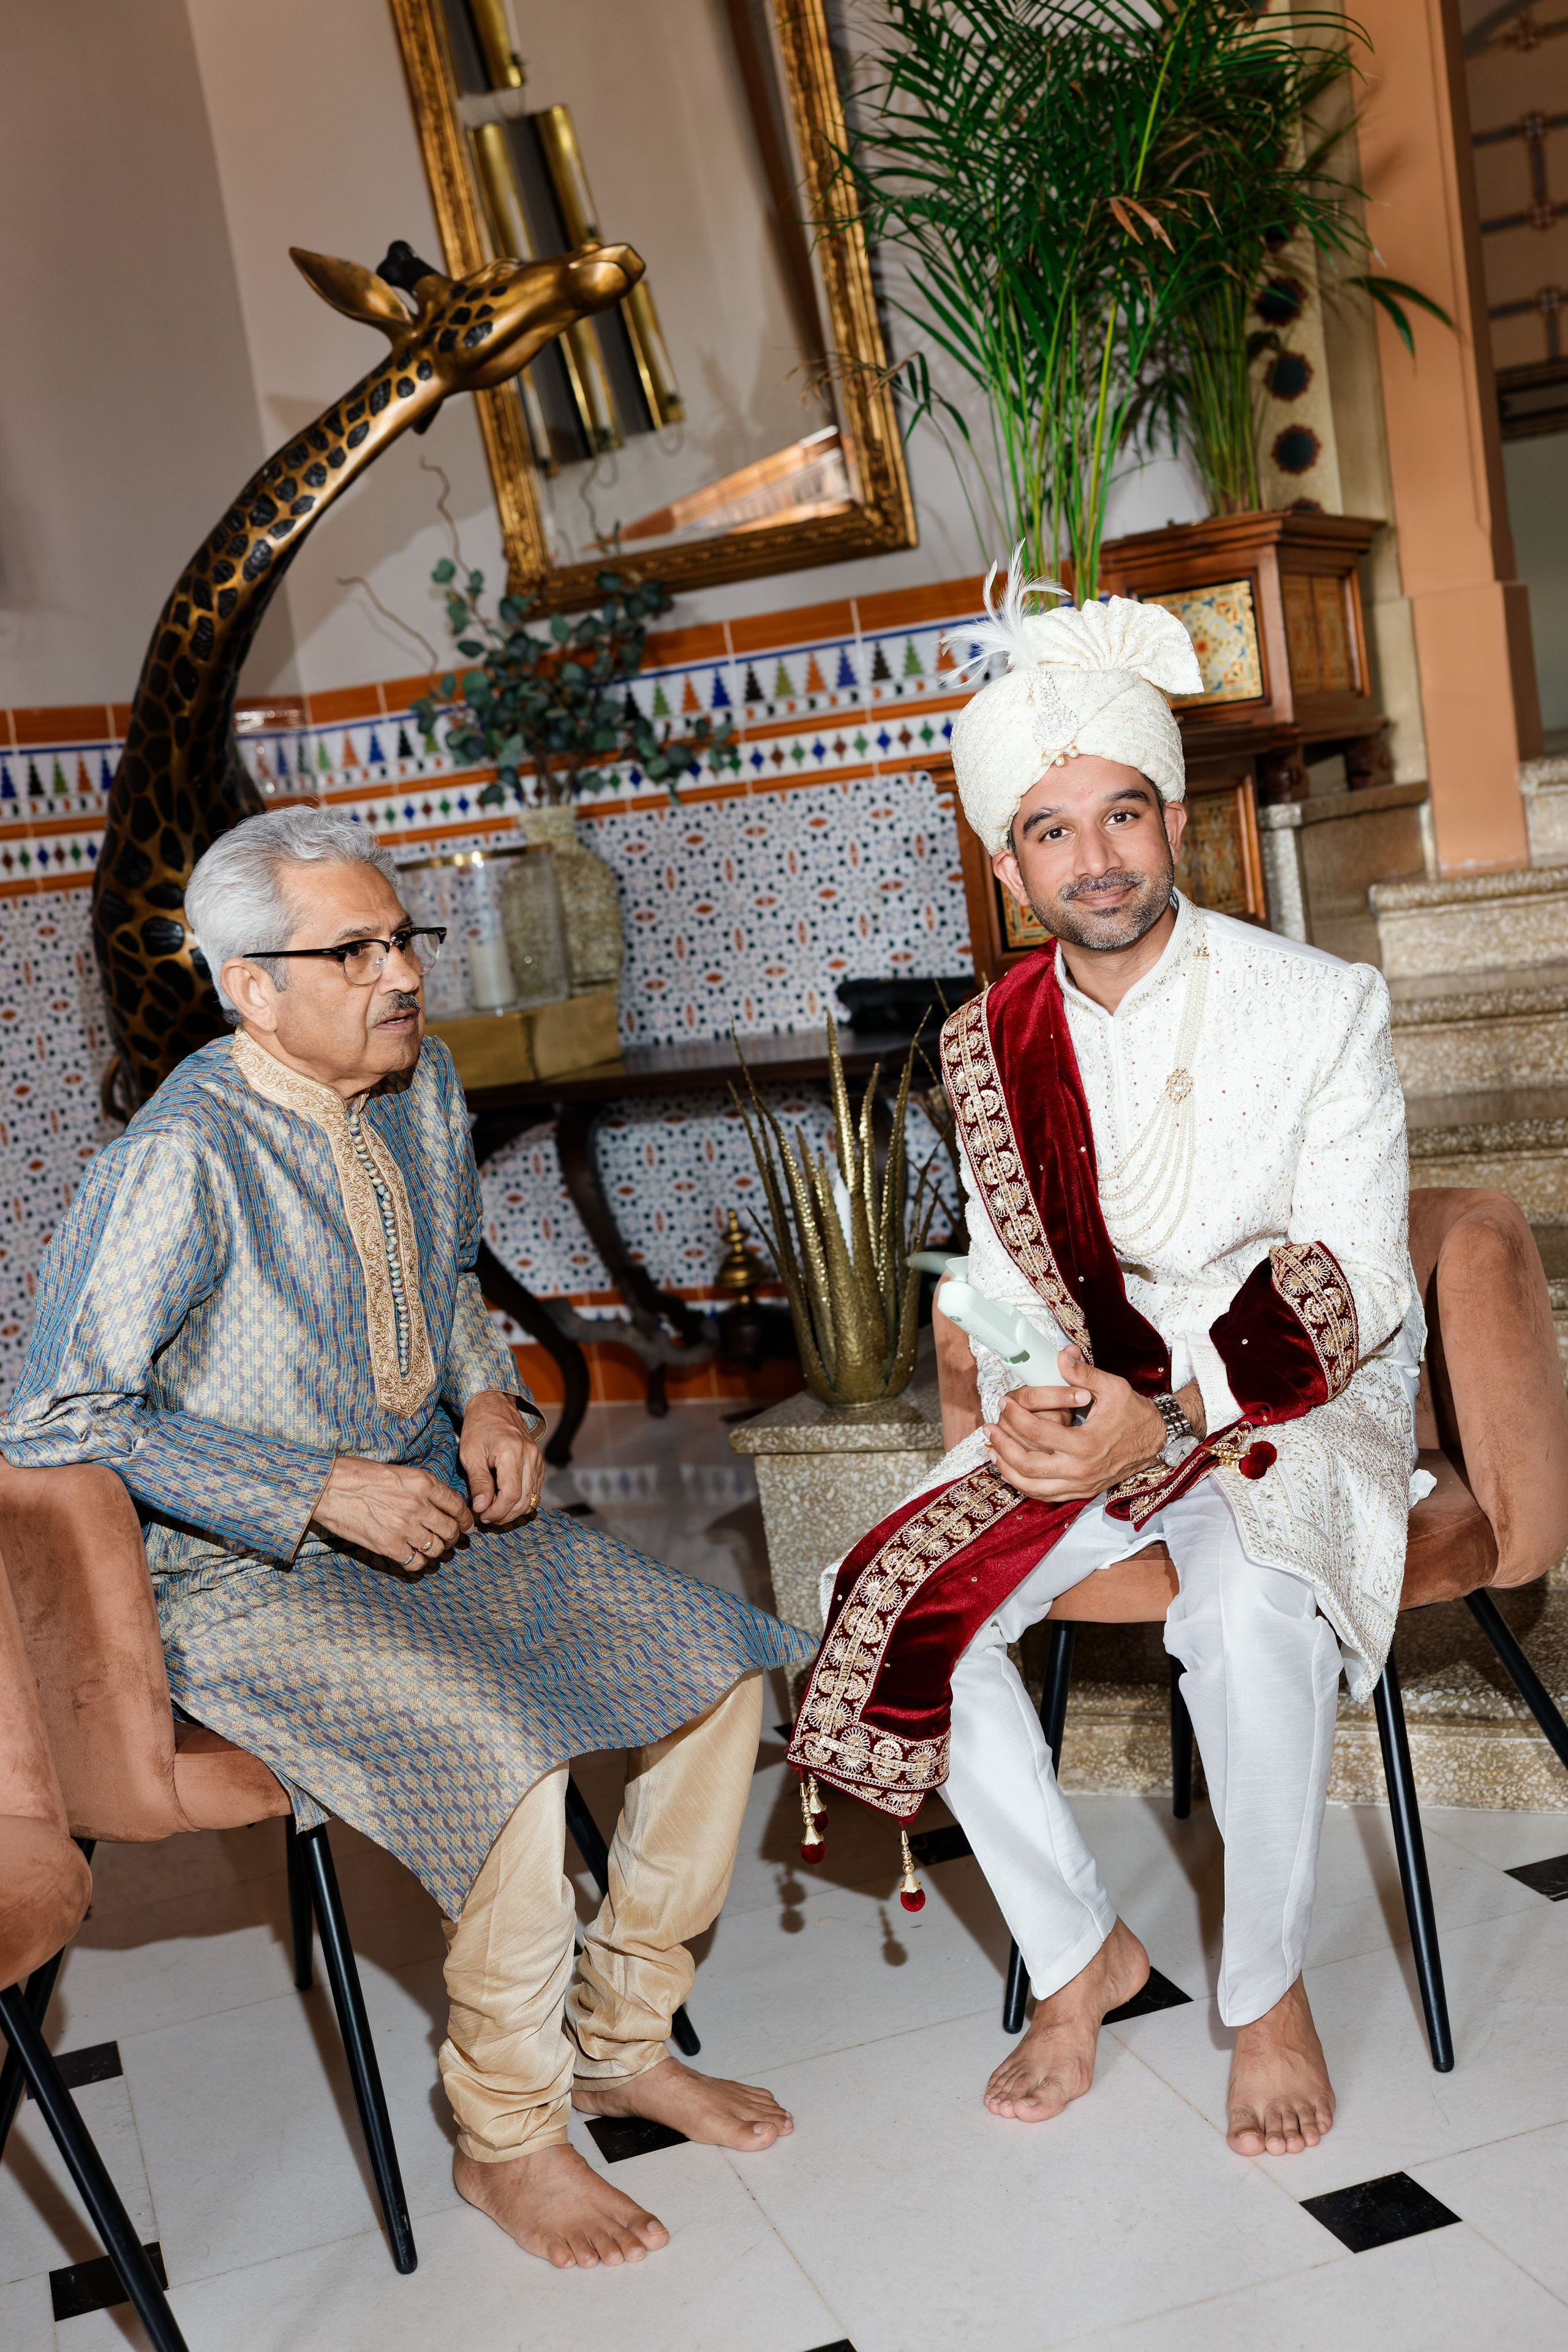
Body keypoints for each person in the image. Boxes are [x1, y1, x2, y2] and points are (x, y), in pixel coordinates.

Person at [2, 808, 815, 2269]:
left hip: (437, 1522)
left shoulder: (423, 1083)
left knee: (717, 1665)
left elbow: (445, 1270)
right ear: (250, 986)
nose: (401, 975)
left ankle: (623, 2038)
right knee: (495, 1750)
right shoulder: (179, 1157)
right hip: (239, 1580)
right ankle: (507, 2140)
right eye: (354, 950)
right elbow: (53, 1414)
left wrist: (492, 1395)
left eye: (402, 940)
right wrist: (312, 1487)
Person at [790, 554, 1425, 2159]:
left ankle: (1263, 1991)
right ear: (1010, 867)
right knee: (886, 1592)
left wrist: (1179, 1408)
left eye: (1122, 815)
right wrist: (1033, 1398)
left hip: (1288, 1396)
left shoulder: (1320, 1006)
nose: (1095, 858)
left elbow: (1353, 1269)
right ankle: (1082, 1956)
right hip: (1089, 1401)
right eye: (1052, 830)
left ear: (1177, 822)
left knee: (1250, 1605)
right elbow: (1005, 1280)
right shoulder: (986, 1041)